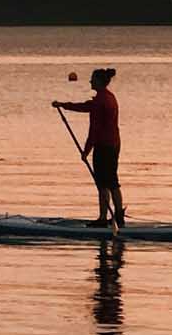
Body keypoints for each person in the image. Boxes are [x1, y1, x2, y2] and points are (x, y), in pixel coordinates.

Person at [53, 68, 125, 228]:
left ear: (99, 81)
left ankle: (102, 219)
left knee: (104, 183)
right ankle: (118, 217)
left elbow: (94, 130)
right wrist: (63, 105)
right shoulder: (108, 97)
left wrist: (86, 151)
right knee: (112, 182)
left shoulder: (101, 101)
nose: (90, 81)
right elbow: (85, 107)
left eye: (93, 79)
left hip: (104, 146)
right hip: (114, 144)